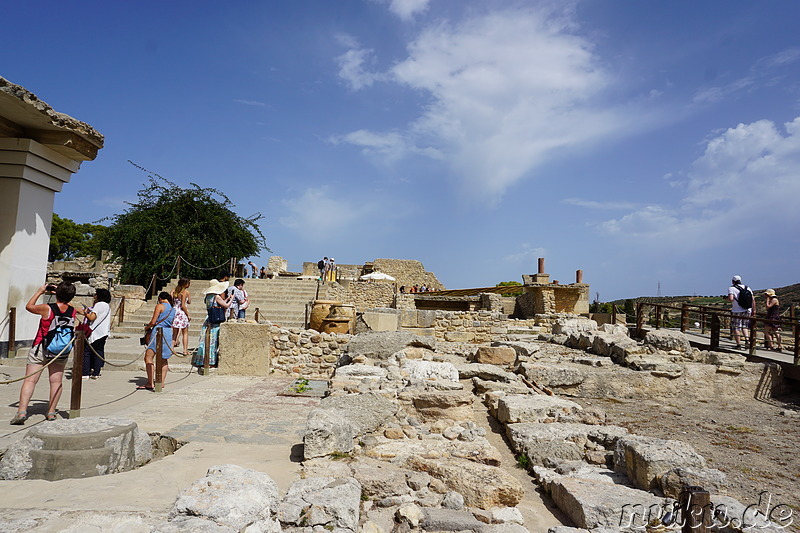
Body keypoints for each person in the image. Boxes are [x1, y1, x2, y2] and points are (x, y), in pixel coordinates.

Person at [11, 282, 87, 424]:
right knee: (56, 381)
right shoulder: (73, 311)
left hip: (41, 348)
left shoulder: (47, 308)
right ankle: (51, 412)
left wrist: (40, 291)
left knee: (30, 380)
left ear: (57, 293)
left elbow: (29, 306)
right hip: (61, 351)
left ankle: (21, 412)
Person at [140, 292, 176, 391]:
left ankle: (150, 382)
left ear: (160, 298)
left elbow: (153, 321)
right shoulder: (173, 309)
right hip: (168, 332)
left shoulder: (160, 306)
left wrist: (147, 327)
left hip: (158, 331)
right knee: (164, 359)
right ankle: (161, 382)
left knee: (149, 357)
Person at [193, 279, 233, 367]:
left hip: (209, 319)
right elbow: (226, 305)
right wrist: (231, 299)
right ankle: (210, 361)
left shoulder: (208, 297)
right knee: (213, 342)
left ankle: (202, 360)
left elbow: (217, 304)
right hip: (216, 321)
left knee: (205, 341)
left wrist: (226, 299)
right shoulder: (216, 297)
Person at [82, 288, 112, 380]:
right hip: (103, 332)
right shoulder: (107, 306)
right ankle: (96, 372)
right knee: (98, 352)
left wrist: (85, 313)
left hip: (95, 332)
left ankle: (85, 373)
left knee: (86, 351)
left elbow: (92, 317)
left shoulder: (99, 305)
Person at [728, 275, 755, 349]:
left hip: (737, 310)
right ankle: (747, 340)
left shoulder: (732, 288)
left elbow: (731, 299)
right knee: (745, 326)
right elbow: (753, 300)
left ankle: (738, 345)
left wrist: (726, 299)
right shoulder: (747, 288)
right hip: (747, 310)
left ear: (733, 281)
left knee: (736, 327)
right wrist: (754, 310)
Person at [171, 278, 191, 353]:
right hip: (182, 313)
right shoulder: (185, 292)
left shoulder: (174, 291)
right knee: (185, 332)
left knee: (174, 333)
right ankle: (185, 350)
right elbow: (184, 305)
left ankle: (172, 348)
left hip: (175, 311)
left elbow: (172, 302)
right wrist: (188, 315)